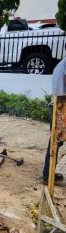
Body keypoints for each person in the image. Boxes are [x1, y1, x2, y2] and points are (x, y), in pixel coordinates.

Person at [43, 57, 66, 185]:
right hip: (60, 109)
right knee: (55, 143)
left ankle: (49, 173)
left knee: (56, 143)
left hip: (59, 107)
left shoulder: (60, 64)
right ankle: (47, 175)